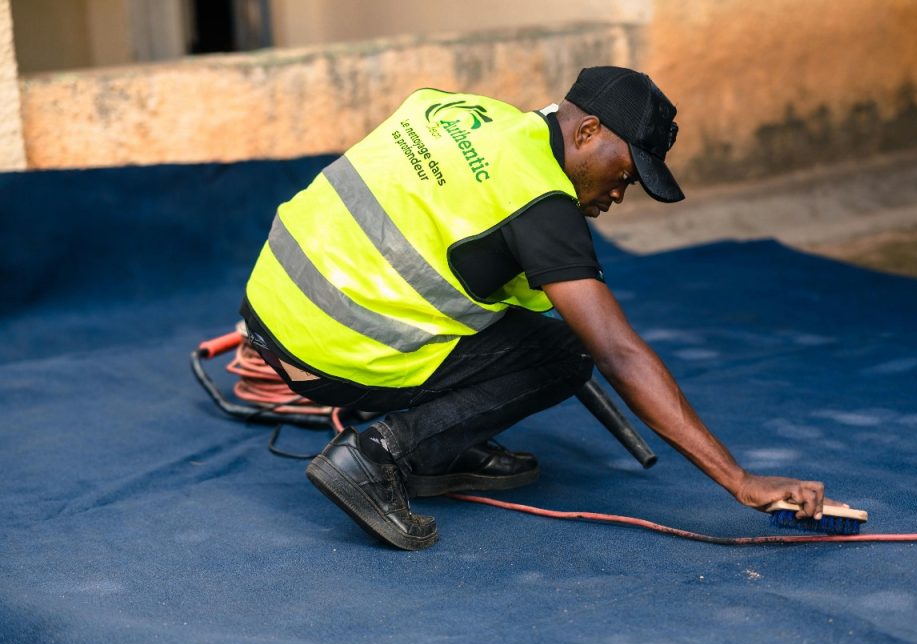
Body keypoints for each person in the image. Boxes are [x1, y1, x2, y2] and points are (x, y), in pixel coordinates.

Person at [241, 66, 838, 550]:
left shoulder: (463, 112)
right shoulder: (539, 203)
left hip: (270, 303)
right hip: (331, 354)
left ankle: (442, 448)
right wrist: (740, 480)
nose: (618, 194)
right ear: (587, 131)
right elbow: (619, 354)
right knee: (569, 352)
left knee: (523, 322)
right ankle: (378, 455)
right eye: (625, 173)